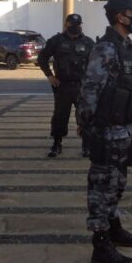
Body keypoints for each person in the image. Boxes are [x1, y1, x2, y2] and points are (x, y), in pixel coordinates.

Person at [78, 0, 132, 263]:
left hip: (122, 129)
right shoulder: (106, 48)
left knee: (117, 184)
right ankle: (101, 244)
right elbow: (90, 90)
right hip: (106, 130)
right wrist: (89, 127)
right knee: (101, 187)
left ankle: (114, 226)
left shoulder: (125, 46)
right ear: (121, 17)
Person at [38, 14, 94, 158]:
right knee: (59, 116)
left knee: (85, 117)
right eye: (72, 24)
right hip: (62, 86)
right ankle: (57, 144)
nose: (75, 27)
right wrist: (49, 75)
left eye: (78, 24)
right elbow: (42, 58)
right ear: (66, 24)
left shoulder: (88, 42)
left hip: (82, 86)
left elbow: (95, 64)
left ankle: (87, 145)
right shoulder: (56, 41)